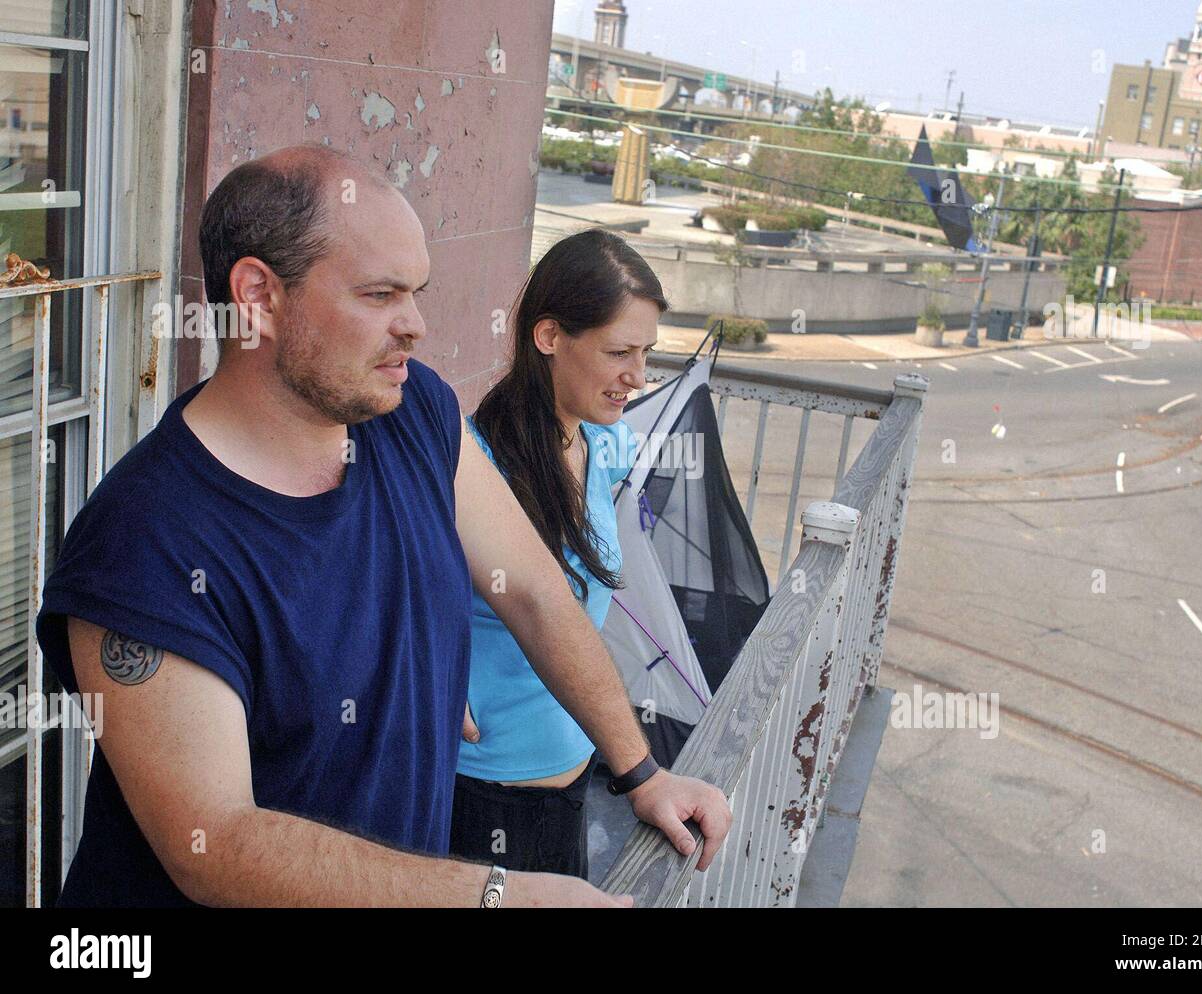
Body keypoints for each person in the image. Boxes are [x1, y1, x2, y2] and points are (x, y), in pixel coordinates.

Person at [35, 145, 730, 907]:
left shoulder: (414, 414)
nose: (417, 325)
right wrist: (506, 898)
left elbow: (533, 591)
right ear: (259, 296)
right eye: (380, 295)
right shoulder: (142, 545)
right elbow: (217, 842)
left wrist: (642, 772)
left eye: (418, 292)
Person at [450, 229, 660, 877]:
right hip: (489, 793)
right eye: (619, 351)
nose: (637, 376)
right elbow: (377, 578)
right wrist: (432, 665)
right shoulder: (473, 470)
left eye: (648, 353)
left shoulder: (608, 448)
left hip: (579, 770)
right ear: (548, 337)